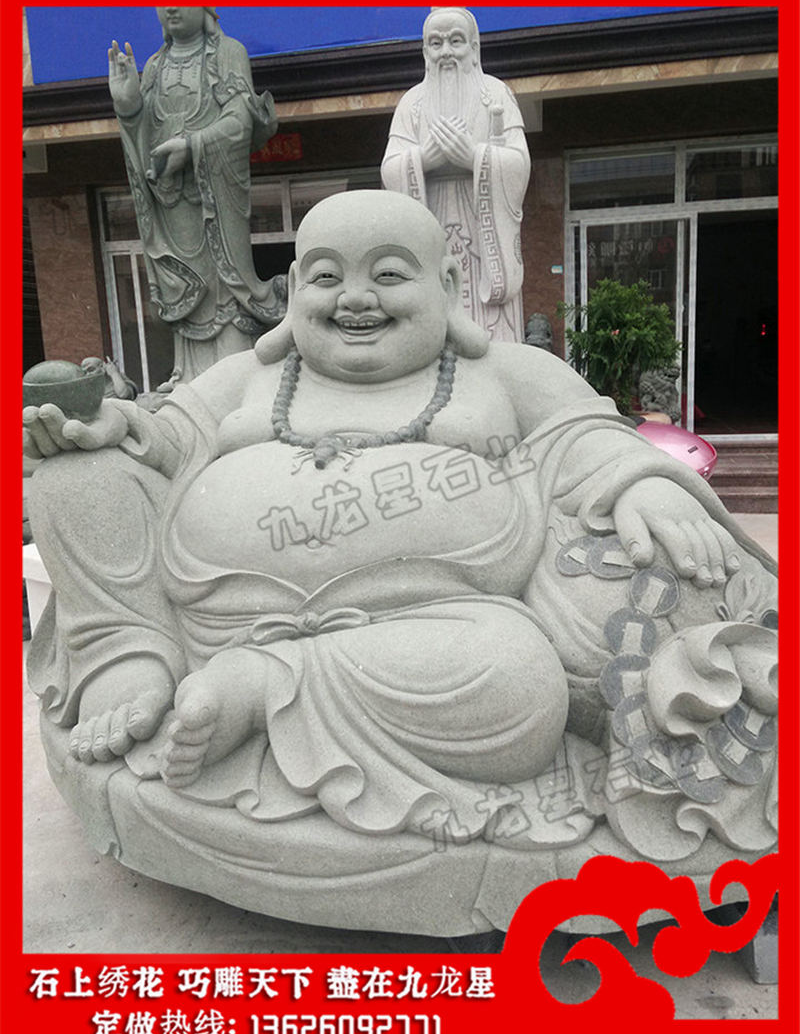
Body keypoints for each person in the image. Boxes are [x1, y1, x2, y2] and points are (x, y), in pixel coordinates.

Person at [24, 190, 777, 860]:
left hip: (433, 631)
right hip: (212, 612)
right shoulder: (249, 376)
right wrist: (116, 427)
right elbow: (166, 434)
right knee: (76, 478)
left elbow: (589, 433)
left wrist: (643, 481)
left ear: (445, 287)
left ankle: (267, 687)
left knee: (519, 683)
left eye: (388, 274)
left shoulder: (503, 372)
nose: (355, 299)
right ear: (293, 292)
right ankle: (128, 652)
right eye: (326, 277)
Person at [109, 7, 286, 389]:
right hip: (173, 198)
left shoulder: (228, 52)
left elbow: (240, 122)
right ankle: (188, 375)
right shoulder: (154, 65)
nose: (171, 7)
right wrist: (129, 107)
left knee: (224, 283)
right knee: (184, 281)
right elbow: (146, 135)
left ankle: (235, 371)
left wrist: (192, 145)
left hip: (217, 192)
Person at [382, 8, 530, 343]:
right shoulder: (411, 103)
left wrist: (475, 156)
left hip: (483, 222)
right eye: (436, 43)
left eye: (456, 41)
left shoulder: (496, 94)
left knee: (489, 323)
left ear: (474, 48)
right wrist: (423, 159)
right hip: (431, 214)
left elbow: (519, 161)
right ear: (425, 52)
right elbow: (391, 166)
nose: (446, 52)